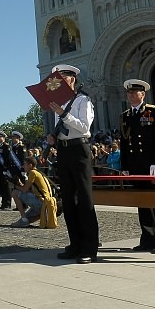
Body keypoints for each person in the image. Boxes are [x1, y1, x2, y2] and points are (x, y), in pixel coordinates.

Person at [47, 64, 99, 264]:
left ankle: (89, 247)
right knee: (68, 199)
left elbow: (85, 128)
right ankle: (74, 244)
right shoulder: (59, 102)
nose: (59, 81)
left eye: (62, 77)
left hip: (79, 150)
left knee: (84, 199)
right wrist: (53, 136)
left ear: (72, 79)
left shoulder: (83, 100)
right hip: (64, 149)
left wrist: (63, 113)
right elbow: (62, 128)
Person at [119, 79, 155, 254]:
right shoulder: (125, 115)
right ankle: (148, 239)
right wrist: (125, 165)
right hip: (136, 166)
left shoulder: (154, 111)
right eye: (129, 93)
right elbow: (125, 143)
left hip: (152, 165)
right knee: (142, 204)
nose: (131, 95)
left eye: (135, 92)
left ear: (143, 94)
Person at [11, 155, 54, 227]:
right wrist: (20, 184)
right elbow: (29, 190)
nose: (23, 166)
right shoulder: (38, 172)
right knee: (28, 220)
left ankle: (24, 219)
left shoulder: (32, 173)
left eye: (25, 164)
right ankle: (28, 220)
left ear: (30, 165)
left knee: (15, 193)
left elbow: (24, 190)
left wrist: (14, 186)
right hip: (46, 203)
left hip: (41, 203)